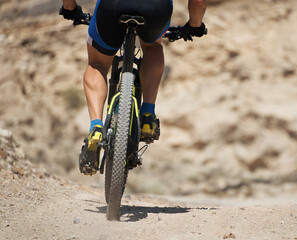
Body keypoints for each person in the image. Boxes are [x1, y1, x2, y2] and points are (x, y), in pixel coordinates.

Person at [60, 0, 207, 175]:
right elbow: (198, 2)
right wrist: (194, 25)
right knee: (153, 46)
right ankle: (147, 115)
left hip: (112, 6)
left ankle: (96, 128)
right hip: (155, 9)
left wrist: (70, 8)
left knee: (97, 64)